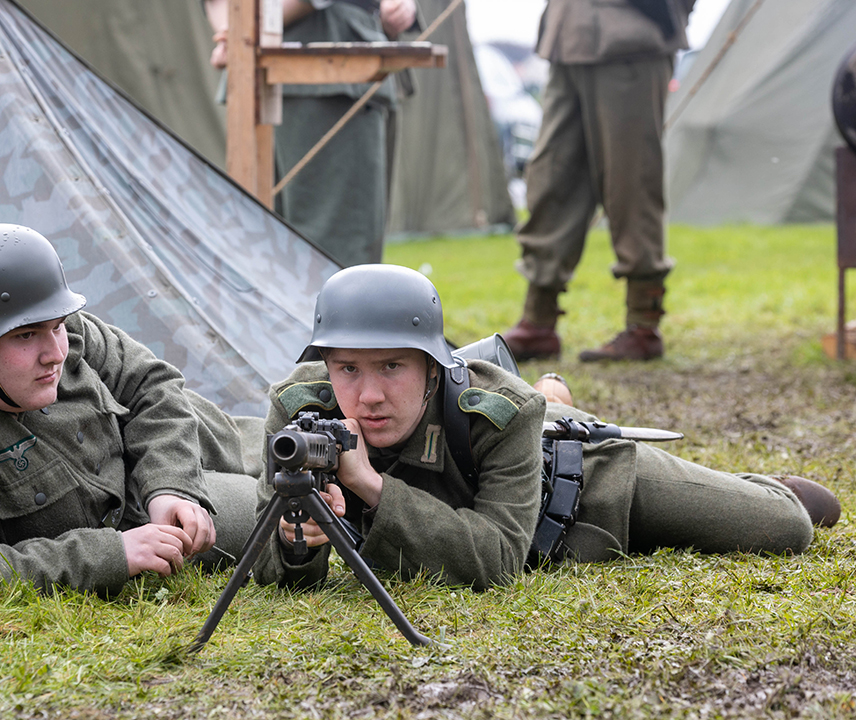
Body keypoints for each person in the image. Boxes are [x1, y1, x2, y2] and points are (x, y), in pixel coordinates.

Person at [252, 264, 840, 590]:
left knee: (787, 525)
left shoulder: (498, 410)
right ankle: (555, 396)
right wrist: (293, 544)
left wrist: (371, 487)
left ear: (433, 365)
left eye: (391, 367)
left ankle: (751, 480)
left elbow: (498, 560)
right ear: (325, 364)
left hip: (584, 488)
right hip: (514, 498)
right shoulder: (299, 413)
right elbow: (272, 566)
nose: (369, 394)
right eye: (347, 368)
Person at [0, 224, 259, 603]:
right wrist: (108, 555)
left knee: (279, 463)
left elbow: (150, 383)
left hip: (158, 458)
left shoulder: (38, 312)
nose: (56, 353)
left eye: (58, 327)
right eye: (27, 337)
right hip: (117, 529)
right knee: (273, 520)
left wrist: (172, 485)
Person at [503, 0, 697, 362]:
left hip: (632, 35)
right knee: (551, 178)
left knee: (631, 181)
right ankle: (538, 320)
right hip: (568, 37)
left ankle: (643, 322)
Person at [202, 0, 417, 267]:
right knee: (330, 253)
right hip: (321, 70)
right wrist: (240, 32)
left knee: (274, 249)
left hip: (285, 63)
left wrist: (237, 33)